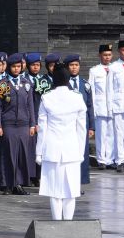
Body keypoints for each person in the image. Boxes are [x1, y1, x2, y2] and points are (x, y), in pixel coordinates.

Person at [34, 72, 87, 221]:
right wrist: (81, 151)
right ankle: (68, 222)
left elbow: (42, 128)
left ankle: (57, 222)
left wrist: (39, 152)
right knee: (71, 190)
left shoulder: (47, 98)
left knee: (55, 190)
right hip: (72, 148)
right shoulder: (77, 98)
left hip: (52, 147)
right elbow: (81, 128)